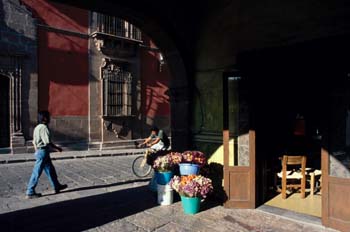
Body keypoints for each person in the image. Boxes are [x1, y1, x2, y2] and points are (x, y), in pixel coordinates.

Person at [25, 110, 67, 199]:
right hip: (43, 152)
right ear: (44, 118)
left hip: (40, 151)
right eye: (48, 116)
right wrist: (57, 148)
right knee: (37, 171)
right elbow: (47, 142)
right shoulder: (44, 127)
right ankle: (30, 191)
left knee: (51, 170)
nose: (49, 118)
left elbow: (34, 141)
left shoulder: (37, 127)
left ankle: (57, 186)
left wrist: (37, 150)